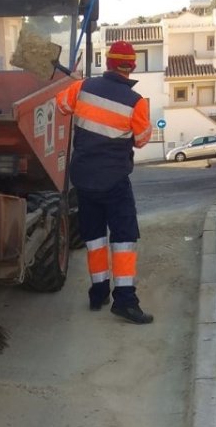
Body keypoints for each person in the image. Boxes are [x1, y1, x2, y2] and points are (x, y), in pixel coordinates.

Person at [56, 41, 154, 324]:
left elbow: (61, 105)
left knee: (94, 237)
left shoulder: (83, 87)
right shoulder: (136, 102)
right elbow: (142, 139)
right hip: (114, 180)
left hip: (83, 179)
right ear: (131, 67)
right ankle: (124, 300)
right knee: (123, 238)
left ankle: (98, 292)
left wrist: (78, 90)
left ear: (108, 63)